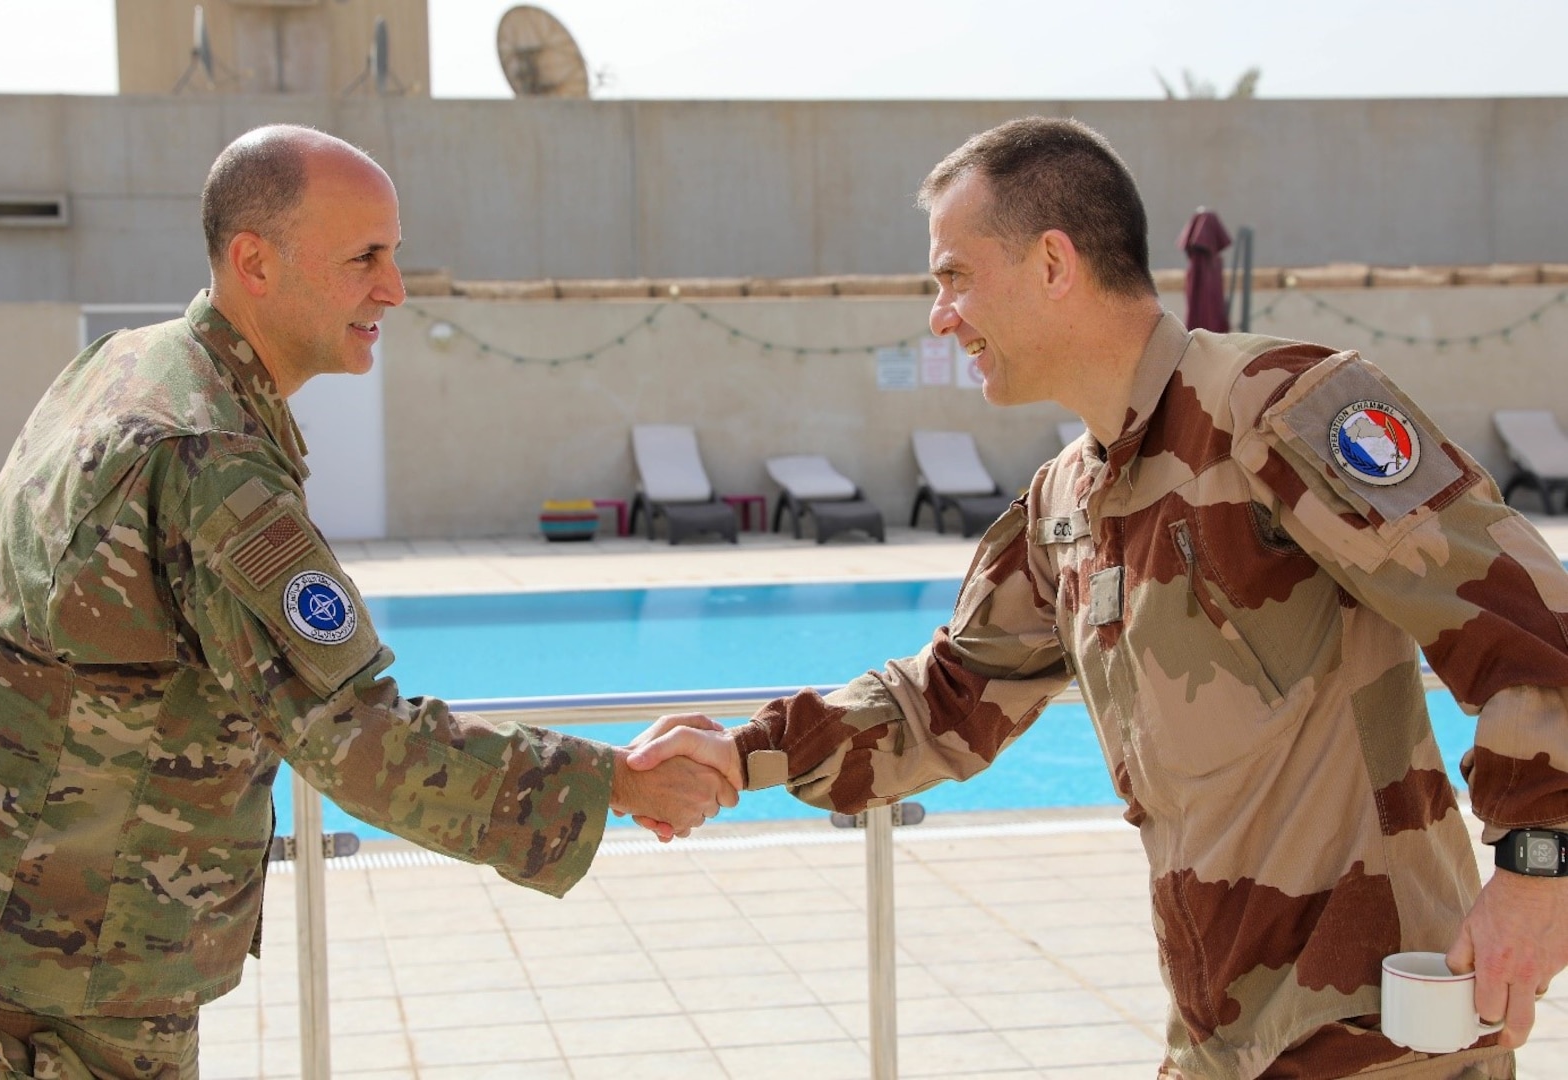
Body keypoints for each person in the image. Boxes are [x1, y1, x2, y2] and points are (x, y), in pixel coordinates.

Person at [628, 116, 1568, 1078]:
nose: (940, 315)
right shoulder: (1063, 505)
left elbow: (1536, 634)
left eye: (953, 276)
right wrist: (741, 756)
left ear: (1051, 263)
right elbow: (945, 701)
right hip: (1219, 1044)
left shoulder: (1273, 409)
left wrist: (1538, 875)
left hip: (1381, 1040)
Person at [0, 124, 735, 1078]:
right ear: (255, 263)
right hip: (82, 955)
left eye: (394, 255)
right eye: (365, 257)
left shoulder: (123, 367)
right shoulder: (208, 457)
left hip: (4, 911)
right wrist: (615, 780)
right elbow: (359, 739)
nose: (395, 288)